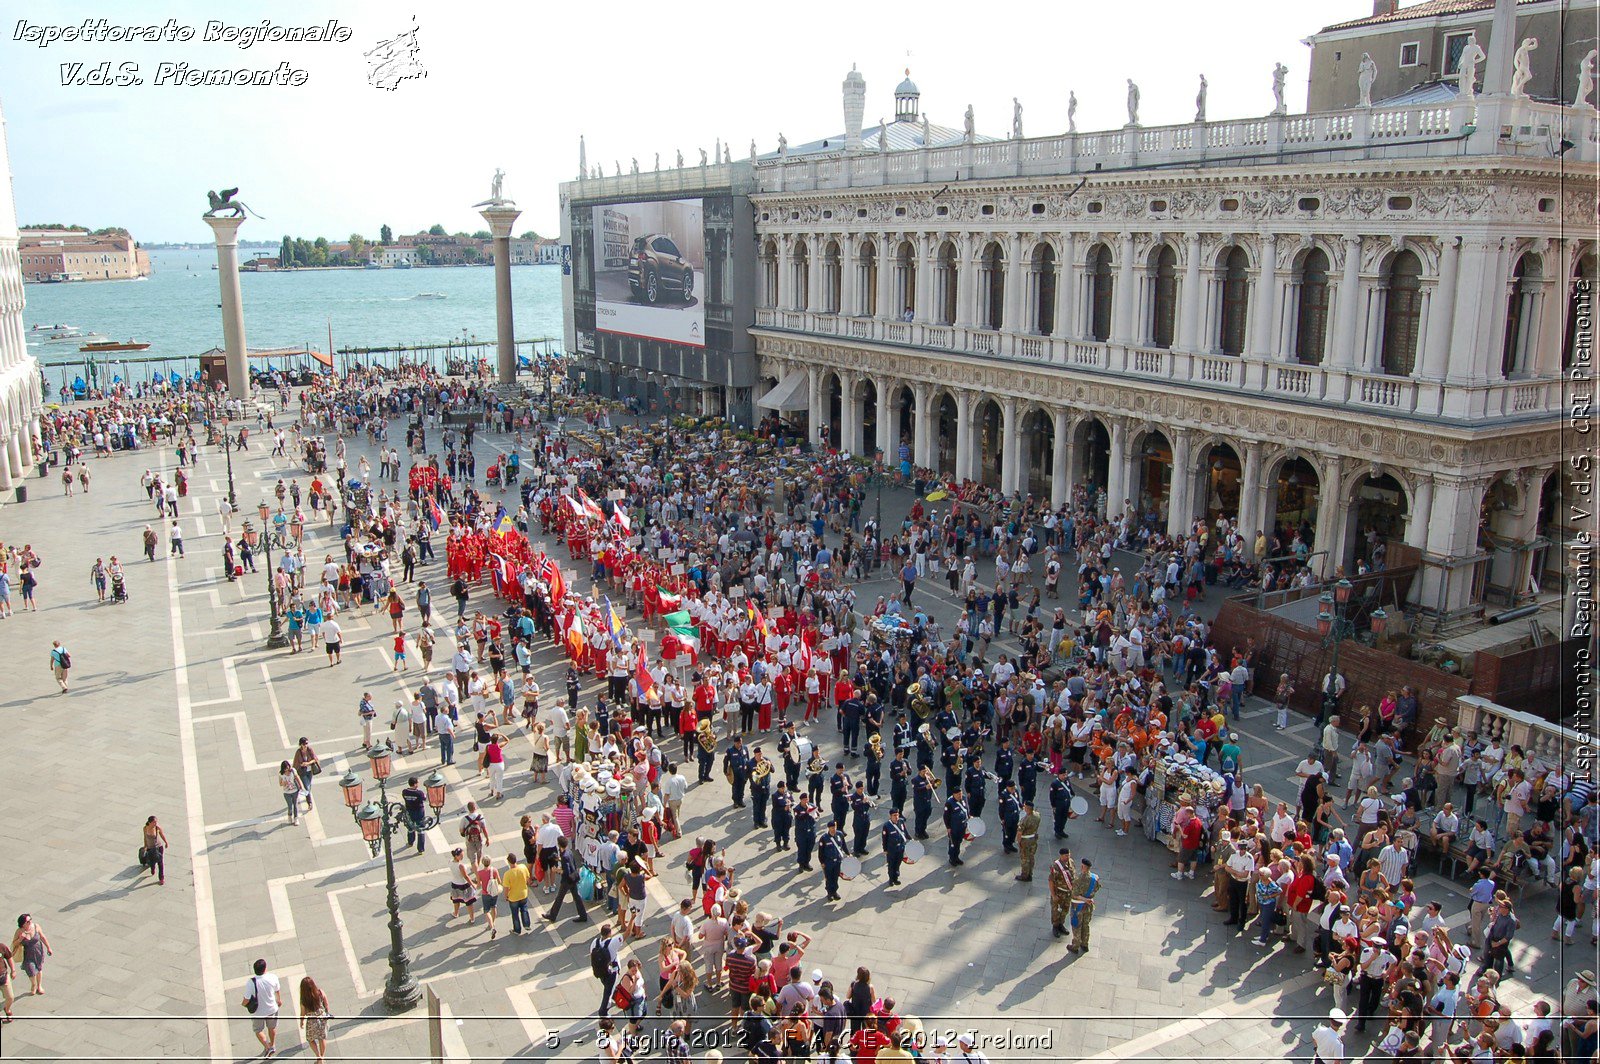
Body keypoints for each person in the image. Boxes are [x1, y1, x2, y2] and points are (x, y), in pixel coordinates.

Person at [241, 958, 282, 1057]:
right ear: (265, 968)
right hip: (272, 1008)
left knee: (258, 1030)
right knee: (272, 1027)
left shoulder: (251, 983)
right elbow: (277, 990)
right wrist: (279, 1000)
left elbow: (246, 999)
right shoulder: (273, 977)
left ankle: (267, 1046)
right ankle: (272, 1044)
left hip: (258, 1012)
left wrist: (243, 1004)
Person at [546, 837, 590, 924]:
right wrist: (559, 860)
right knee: (577, 897)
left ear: (559, 845)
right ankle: (583, 915)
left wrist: (556, 870)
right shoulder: (568, 852)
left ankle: (552, 915)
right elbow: (571, 863)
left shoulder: (564, 856)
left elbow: (566, 872)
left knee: (559, 898)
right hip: (574, 877)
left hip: (567, 880)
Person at [11, 915, 50, 998]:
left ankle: (39, 986)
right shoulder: (19, 931)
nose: (30, 922)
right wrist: (20, 939)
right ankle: (33, 985)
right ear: (23, 924)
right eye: (28, 921)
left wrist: (48, 947)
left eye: (30, 920)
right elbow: (14, 943)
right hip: (27, 954)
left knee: (39, 968)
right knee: (31, 970)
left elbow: (42, 937)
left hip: (38, 951)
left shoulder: (36, 926)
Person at [298, 976, 333, 1063]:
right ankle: (322, 1056)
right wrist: (327, 1012)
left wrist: (301, 1021)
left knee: (310, 1039)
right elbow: (326, 1004)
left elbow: (303, 1013)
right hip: (322, 1019)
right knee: (322, 1038)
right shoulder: (320, 992)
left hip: (311, 1022)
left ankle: (318, 1056)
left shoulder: (303, 1000)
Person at [1069, 857, 1099, 953]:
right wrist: (1088, 899)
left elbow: (1075, 895)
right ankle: (1085, 944)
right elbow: (1096, 889)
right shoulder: (1095, 878)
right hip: (1089, 906)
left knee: (1076, 925)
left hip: (1078, 906)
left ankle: (1075, 946)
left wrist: (1084, 899)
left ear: (1082, 866)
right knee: (1086, 925)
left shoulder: (1078, 879)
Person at [1048, 848, 1074, 939]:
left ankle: (1061, 925)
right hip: (1059, 893)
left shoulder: (1071, 862)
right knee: (1056, 911)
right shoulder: (1055, 866)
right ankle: (1055, 926)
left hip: (1068, 893)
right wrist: (1054, 895)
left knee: (1065, 910)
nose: (1068, 857)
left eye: (1068, 855)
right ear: (1061, 855)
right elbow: (1051, 881)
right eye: (1065, 856)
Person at [140, 815, 169, 885]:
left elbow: (162, 835)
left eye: (156, 822)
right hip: (150, 848)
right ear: (149, 822)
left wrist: (166, 842)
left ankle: (161, 878)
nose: (155, 823)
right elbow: (145, 838)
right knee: (151, 862)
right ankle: (152, 868)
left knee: (160, 862)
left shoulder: (157, 828)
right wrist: (145, 846)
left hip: (158, 847)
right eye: (154, 822)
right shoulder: (145, 828)